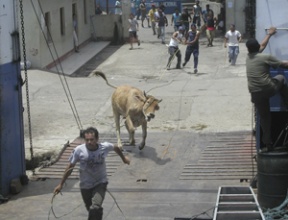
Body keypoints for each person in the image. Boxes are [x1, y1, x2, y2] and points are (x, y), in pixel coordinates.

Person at [53, 127, 130, 220]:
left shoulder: (104, 147)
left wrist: (124, 159)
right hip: (85, 185)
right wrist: (61, 184)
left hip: (100, 183)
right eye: (87, 140)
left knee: (95, 207)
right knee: (92, 210)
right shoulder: (79, 150)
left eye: (92, 140)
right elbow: (70, 167)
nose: (89, 142)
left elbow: (115, 147)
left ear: (97, 139)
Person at [246, 27, 288, 151]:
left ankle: (268, 143)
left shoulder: (249, 57)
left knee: (265, 117)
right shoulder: (265, 57)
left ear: (248, 49)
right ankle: (287, 104)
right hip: (268, 88)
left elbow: (261, 45)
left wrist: (269, 35)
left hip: (255, 93)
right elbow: (284, 64)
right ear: (257, 47)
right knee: (281, 78)